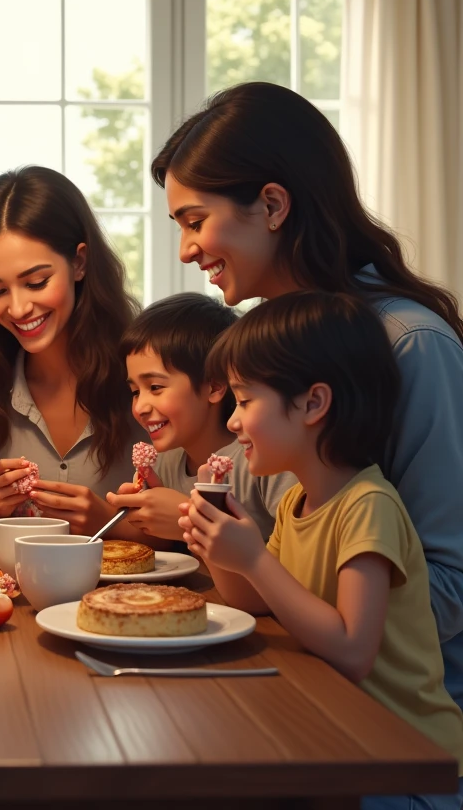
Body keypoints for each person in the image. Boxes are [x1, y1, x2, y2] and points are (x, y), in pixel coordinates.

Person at [153, 81, 463, 712]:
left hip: (392, 719)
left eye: (195, 221)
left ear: (271, 204)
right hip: (303, 675)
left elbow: (448, 590)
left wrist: (290, 593)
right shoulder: (268, 355)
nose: (186, 249)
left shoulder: (410, 345)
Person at [180, 291, 463, 809]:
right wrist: (215, 547)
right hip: (342, 734)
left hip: (405, 763)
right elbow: (256, 602)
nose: (232, 423)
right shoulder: (296, 502)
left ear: (313, 403)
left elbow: (354, 651)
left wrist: (254, 558)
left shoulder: (368, 504)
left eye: (244, 401)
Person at [0, 167, 142, 535]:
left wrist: (111, 524)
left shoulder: (146, 376)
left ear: (79, 263)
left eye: (36, 282)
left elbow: (192, 518)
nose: (18, 308)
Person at [107, 292, 295, 544]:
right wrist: (146, 522)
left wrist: (190, 519)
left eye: (155, 387)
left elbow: (296, 569)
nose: (140, 406)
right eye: (134, 392)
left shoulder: (266, 462)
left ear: (215, 386)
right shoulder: (164, 464)